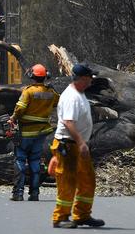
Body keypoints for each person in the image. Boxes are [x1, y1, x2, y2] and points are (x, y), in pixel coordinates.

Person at [51, 63, 105, 229]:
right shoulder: (71, 97)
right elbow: (68, 122)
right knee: (67, 182)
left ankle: (82, 215)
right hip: (68, 145)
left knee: (87, 180)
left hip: (78, 144)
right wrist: (81, 143)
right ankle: (61, 217)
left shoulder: (79, 93)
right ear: (82, 79)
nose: (91, 82)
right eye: (89, 79)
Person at [8, 64, 59, 202]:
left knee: (20, 159)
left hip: (26, 132)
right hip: (41, 132)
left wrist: (13, 118)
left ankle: (18, 193)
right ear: (45, 76)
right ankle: (35, 193)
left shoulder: (28, 91)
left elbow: (20, 108)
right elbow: (57, 102)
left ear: (32, 76)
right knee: (35, 161)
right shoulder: (51, 93)